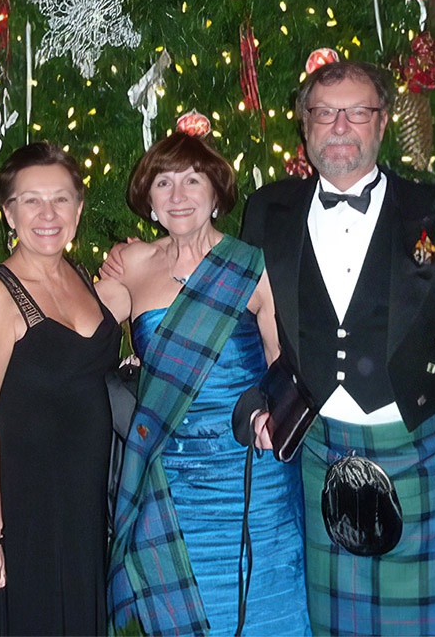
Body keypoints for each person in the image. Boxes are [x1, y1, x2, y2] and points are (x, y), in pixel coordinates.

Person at [234, 60, 435, 635]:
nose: (340, 126)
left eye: (357, 112)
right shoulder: (267, 211)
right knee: (333, 621)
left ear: (381, 123)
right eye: (325, 113)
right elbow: (244, 322)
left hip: (423, 447)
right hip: (317, 451)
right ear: (304, 125)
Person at [98, 133, 310, 636]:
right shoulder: (128, 267)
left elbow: (283, 366)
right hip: (169, 481)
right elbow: (78, 346)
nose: (178, 195)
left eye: (193, 180)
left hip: (252, 478)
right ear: (147, 200)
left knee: (265, 610)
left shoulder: (253, 266)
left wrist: (272, 418)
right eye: (164, 183)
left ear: (216, 193)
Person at [0, 143, 120, 635]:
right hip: (27, 507)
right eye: (31, 200)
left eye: (62, 199)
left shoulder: (83, 277)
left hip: (85, 501)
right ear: (9, 213)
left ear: (78, 209)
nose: (48, 214)